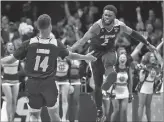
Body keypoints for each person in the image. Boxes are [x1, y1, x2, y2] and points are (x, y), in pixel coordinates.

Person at [1, 14, 97, 122]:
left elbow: (10, 60)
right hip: (49, 83)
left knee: (34, 116)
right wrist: (85, 57)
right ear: (50, 27)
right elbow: (70, 55)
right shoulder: (55, 43)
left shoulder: (28, 43)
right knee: (54, 115)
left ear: (38, 27)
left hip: (33, 83)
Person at [69, 5, 156, 121]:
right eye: (105, 15)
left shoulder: (119, 25)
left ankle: (111, 76)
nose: (107, 17)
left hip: (109, 51)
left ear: (114, 16)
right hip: (95, 53)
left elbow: (134, 33)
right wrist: (69, 50)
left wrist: (148, 44)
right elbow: (82, 41)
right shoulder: (96, 26)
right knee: (98, 85)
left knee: (110, 64)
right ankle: (99, 109)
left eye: (109, 15)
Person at [137, 50, 163, 122]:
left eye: (154, 56)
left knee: (148, 106)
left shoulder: (156, 67)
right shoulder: (144, 66)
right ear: (148, 58)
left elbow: (156, 78)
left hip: (150, 88)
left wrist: (158, 76)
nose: (153, 58)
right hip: (143, 87)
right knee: (141, 106)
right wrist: (143, 72)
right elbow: (141, 79)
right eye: (151, 56)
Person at [1, 42, 21, 122]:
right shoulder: (3, 58)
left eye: (12, 45)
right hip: (6, 81)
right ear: (6, 47)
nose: (11, 46)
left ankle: (12, 119)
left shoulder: (17, 57)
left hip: (15, 80)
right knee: (9, 100)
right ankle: (9, 119)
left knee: (14, 101)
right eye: (9, 45)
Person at [55, 57, 71, 121]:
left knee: (64, 99)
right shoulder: (54, 58)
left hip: (65, 80)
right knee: (56, 99)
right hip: (55, 79)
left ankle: (64, 117)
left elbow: (70, 70)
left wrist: (70, 82)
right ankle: (57, 116)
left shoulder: (67, 59)